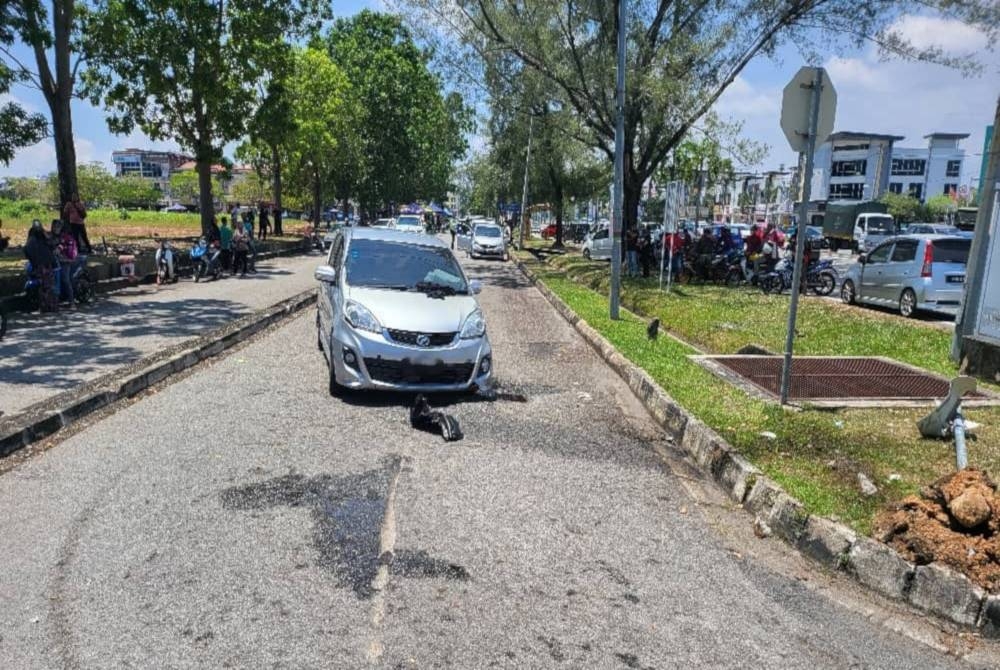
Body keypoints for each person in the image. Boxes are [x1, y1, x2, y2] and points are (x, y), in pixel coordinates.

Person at [24, 220, 58, 312]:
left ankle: (47, 306)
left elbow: (27, 250)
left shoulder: (41, 238)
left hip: (43, 265)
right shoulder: (36, 238)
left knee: (45, 286)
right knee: (46, 286)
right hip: (42, 265)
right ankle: (48, 305)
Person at [53, 220, 77, 306]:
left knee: (65, 280)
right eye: (54, 226)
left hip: (65, 261)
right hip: (53, 261)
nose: (56, 228)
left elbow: (62, 246)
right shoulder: (51, 236)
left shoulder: (66, 238)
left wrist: (59, 250)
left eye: (58, 227)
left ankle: (72, 302)